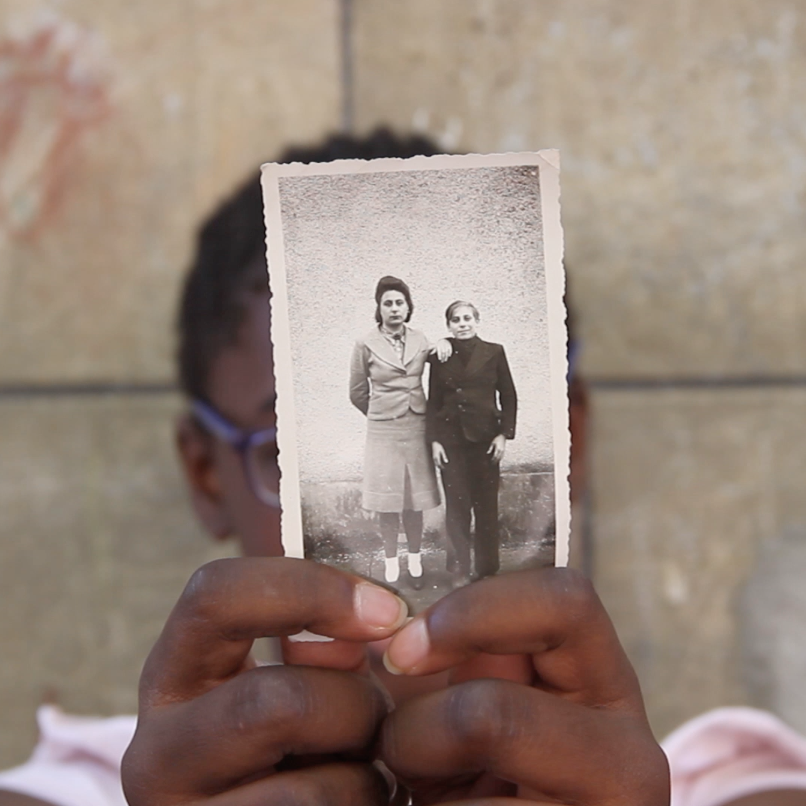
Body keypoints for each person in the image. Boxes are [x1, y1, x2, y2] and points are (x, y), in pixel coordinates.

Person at [0, 129, 669, 806]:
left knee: (413, 505)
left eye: (403, 302)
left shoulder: (716, 784)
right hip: (386, 434)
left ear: (571, 440)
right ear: (206, 474)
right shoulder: (87, 788)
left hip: (419, 441)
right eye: (285, 450)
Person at [350, 276, 441, 586]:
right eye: (387, 303)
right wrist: (381, 414)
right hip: (383, 431)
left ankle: (415, 560)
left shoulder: (420, 339)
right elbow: (357, 391)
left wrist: (444, 343)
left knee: (414, 498)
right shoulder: (365, 343)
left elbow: (439, 362)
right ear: (379, 308)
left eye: (399, 302)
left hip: (417, 426)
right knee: (387, 500)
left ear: (408, 306)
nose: (394, 308)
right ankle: (391, 561)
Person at [427, 300, 517, 579]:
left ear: (477, 322)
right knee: (457, 506)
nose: (462, 324)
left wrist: (504, 434)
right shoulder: (441, 357)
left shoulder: (494, 352)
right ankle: (459, 568)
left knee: (487, 507)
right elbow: (433, 401)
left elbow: (509, 395)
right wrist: (434, 441)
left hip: (486, 442)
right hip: (451, 443)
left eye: (468, 318)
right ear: (449, 325)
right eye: (456, 320)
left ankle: (488, 570)